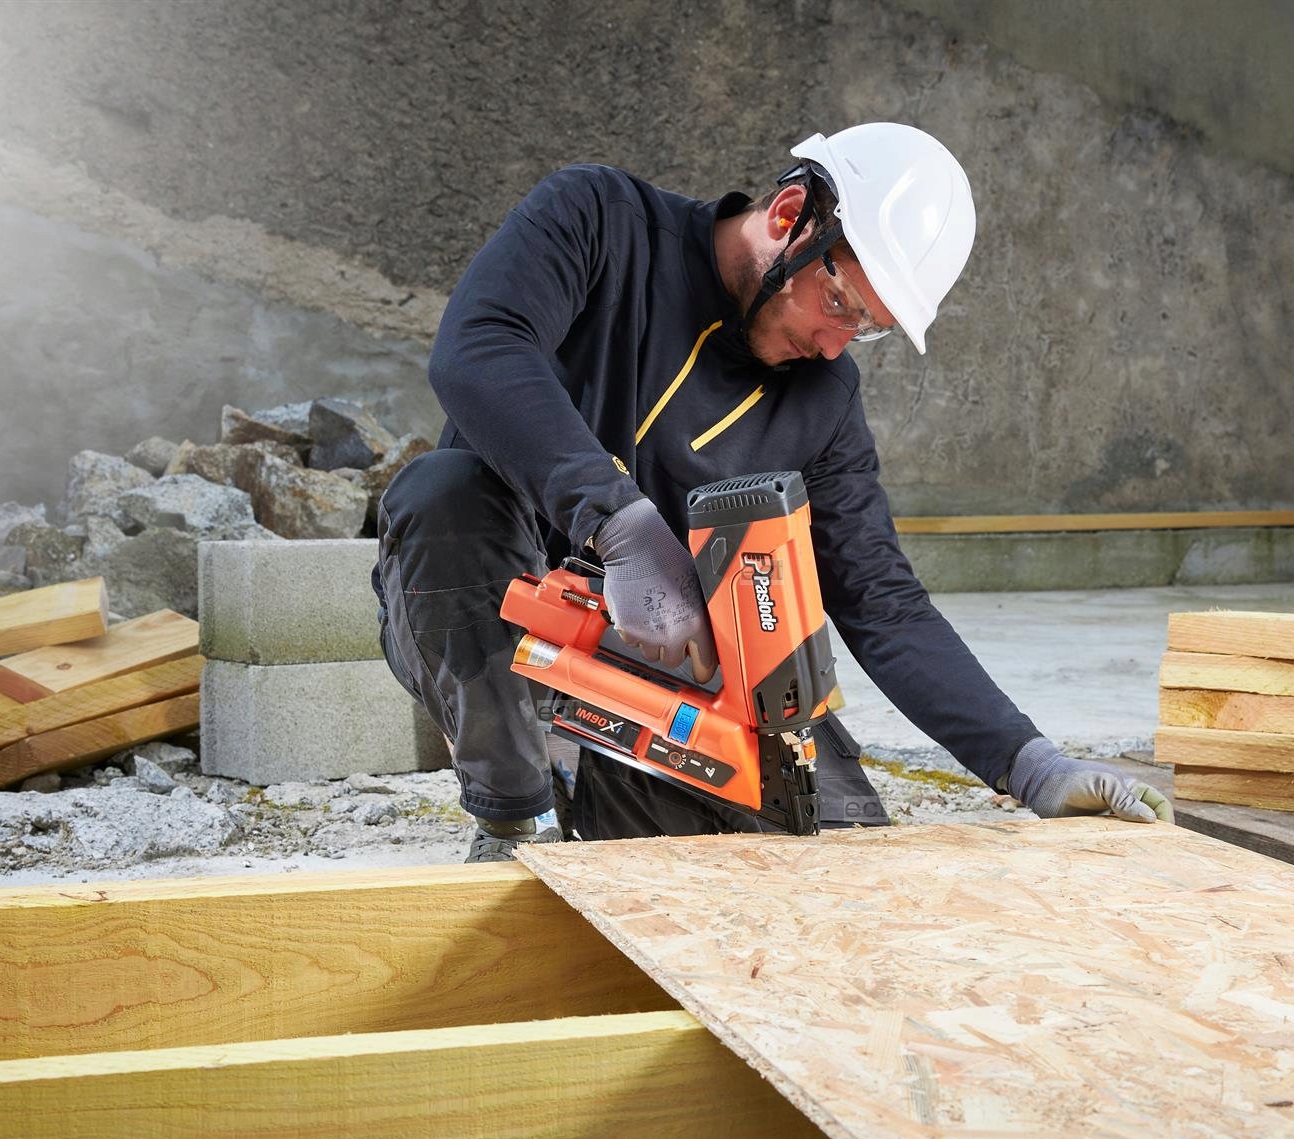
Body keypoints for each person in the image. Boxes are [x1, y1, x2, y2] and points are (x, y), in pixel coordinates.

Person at [373, 122, 1171, 862]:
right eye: (840, 304)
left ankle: (599, 785)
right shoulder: (601, 223)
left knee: (838, 860)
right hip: (496, 620)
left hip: (656, 675)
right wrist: (619, 524)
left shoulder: (822, 402)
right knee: (442, 493)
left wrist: (1029, 763)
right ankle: (517, 818)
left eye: (866, 329)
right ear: (791, 216)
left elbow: (881, 600)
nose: (834, 344)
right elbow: (478, 347)